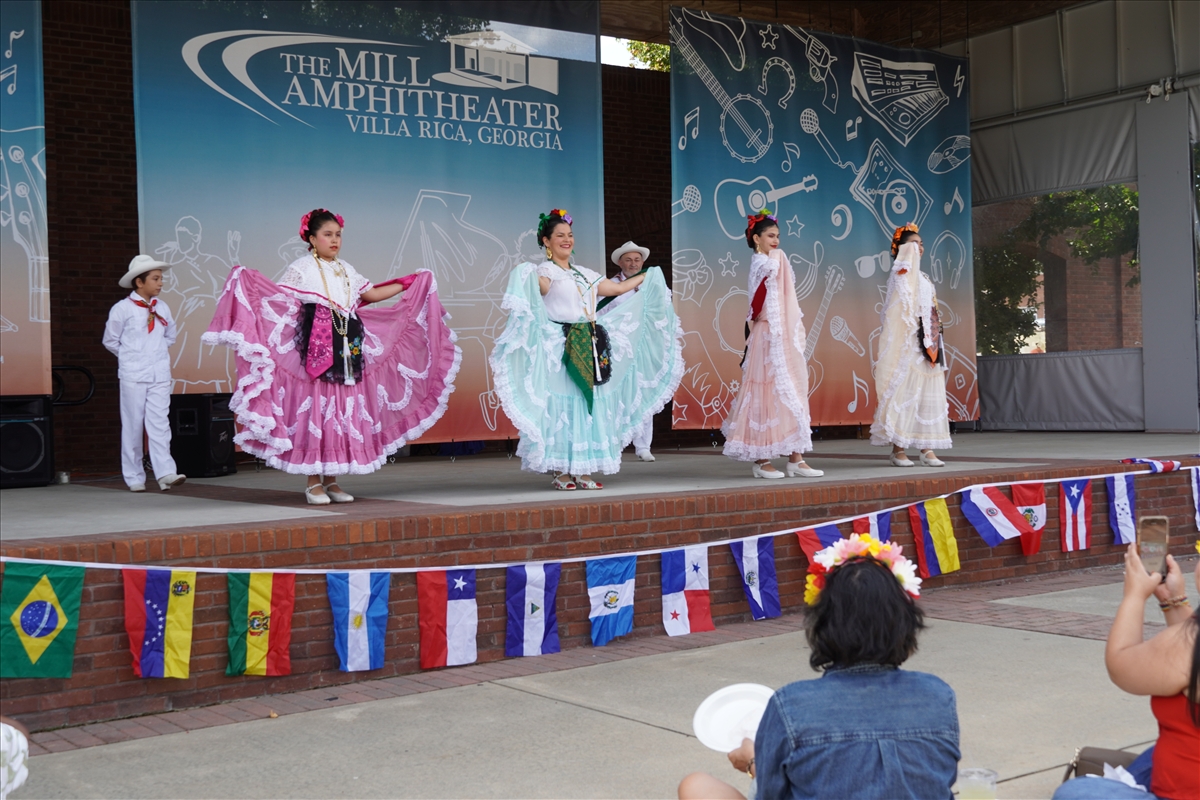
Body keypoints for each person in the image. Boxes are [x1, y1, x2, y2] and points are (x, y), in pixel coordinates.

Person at [202, 209, 460, 504]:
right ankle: (313, 482)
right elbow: (281, 300)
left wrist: (410, 282)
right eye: (327, 234)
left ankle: (333, 481)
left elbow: (372, 294)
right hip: (317, 347)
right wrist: (248, 281)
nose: (334, 240)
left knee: (341, 410)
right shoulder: (302, 269)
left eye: (338, 235)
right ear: (312, 239)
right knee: (319, 409)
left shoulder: (346, 269)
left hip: (348, 345)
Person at [679, 533, 959, 799]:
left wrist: (753, 760)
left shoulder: (790, 705)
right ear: (906, 624)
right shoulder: (937, 695)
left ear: (822, 626)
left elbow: (770, 794)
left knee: (696, 785)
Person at [489, 209, 682, 490]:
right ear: (546, 241)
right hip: (562, 346)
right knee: (563, 406)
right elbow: (540, 288)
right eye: (559, 236)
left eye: (569, 235)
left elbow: (617, 289)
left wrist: (648, 275)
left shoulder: (585, 274)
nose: (566, 240)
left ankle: (582, 468)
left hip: (590, 344)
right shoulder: (547, 272)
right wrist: (526, 273)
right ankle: (561, 471)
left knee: (587, 405)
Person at [1053, 544, 1200, 800]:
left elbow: (1121, 664)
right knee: (1154, 754)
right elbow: (1187, 665)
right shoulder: (1189, 644)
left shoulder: (1188, 643)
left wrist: (1134, 595)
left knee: (1075, 793)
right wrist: (1173, 600)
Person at [721, 211, 823, 480]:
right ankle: (761, 459)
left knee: (792, 390)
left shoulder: (777, 259)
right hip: (766, 335)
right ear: (757, 238)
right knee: (763, 393)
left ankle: (796, 458)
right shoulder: (762, 263)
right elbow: (759, 304)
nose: (776, 241)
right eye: (770, 235)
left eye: (777, 236)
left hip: (782, 333)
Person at [103, 255, 187, 492]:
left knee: (160, 423)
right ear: (139, 282)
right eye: (155, 279)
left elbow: (170, 335)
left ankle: (165, 472)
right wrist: (132, 357)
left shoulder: (163, 307)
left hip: (159, 373)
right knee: (133, 425)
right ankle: (133, 476)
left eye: (160, 278)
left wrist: (155, 353)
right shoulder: (122, 309)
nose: (160, 283)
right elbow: (110, 340)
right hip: (133, 374)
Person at [870, 224, 951, 468]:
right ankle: (899, 449)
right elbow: (897, 313)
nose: (920, 248)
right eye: (914, 244)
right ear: (903, 248)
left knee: (928, 393)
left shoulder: (923, 277)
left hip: (928, 343)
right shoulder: (901, 274)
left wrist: (934, 337)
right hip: (908, 344)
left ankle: (927, 448)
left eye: (921, 243)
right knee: (905, 392)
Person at [599, 241, 655, 462]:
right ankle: (615, 443)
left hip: (643, 346)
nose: (633, 264)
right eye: (628, 260)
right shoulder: (611, 285)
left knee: (644, 393)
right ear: (620, 263)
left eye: (637, 260)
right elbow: (600, 315)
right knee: (617, 395)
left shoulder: (651, 283)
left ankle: (643, 446)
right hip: (619, 348)